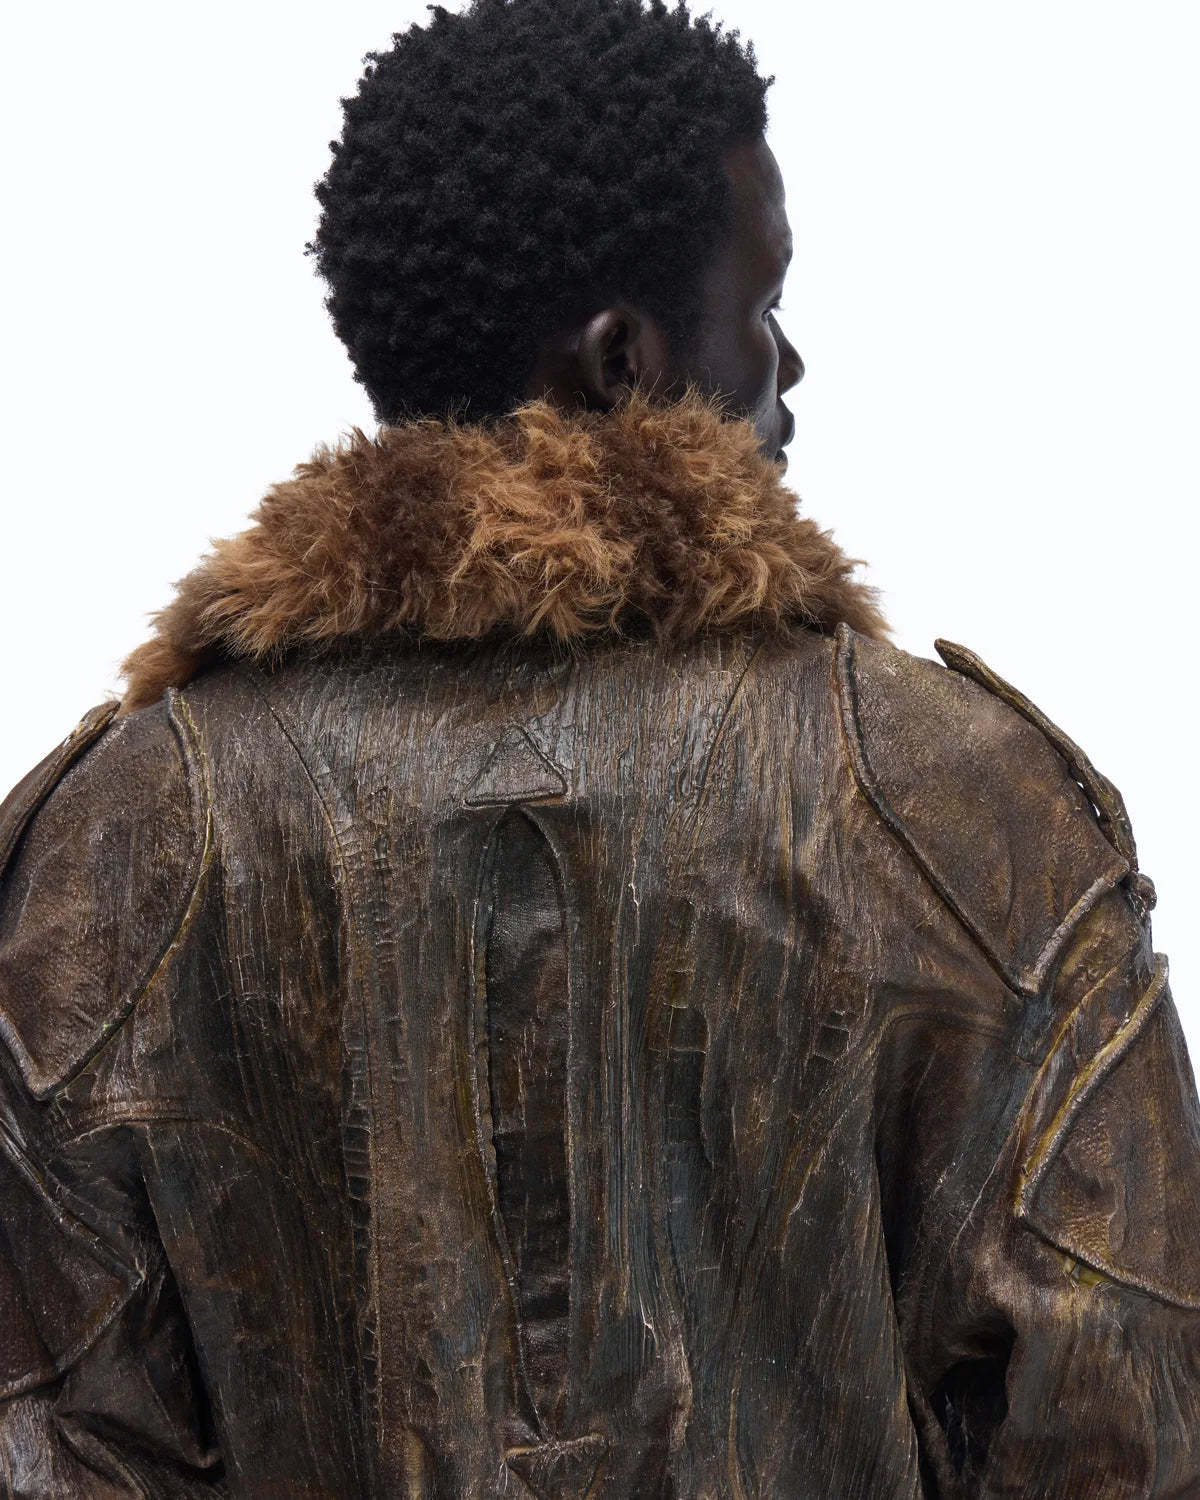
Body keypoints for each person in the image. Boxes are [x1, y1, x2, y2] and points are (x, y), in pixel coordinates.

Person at [1, 0, 1197, 1494]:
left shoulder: (118, 848)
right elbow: (1127, 1418)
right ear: (626, 359)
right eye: (763, 303)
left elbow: (48, 1436)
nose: (792, 364)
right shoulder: (953, 807)